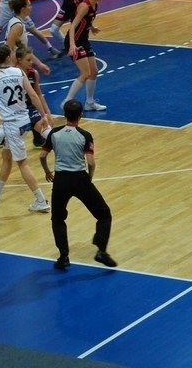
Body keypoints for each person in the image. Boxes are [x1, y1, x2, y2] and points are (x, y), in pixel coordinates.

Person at [40, 99, 117, 270]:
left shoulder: (54, 134)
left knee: (58, 219)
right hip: (80, 179)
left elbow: (42, 156)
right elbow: (91, 162)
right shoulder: (85, 135)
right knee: (104, 214)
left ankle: (64, 257)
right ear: (81, 115)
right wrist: (89, 178)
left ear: (65, 115)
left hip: (60, 180)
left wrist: (47, 172)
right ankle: (101, 250)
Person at [0, 44, 52, 212]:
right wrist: (44, 116)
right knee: (6, 156)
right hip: (23, 120)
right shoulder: (19, 72)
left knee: (22, 164)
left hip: (12, 125)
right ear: (8, 58)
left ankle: (41, 200)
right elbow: (33, 95)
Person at [62, 0, 106, 111]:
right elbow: (73, 26)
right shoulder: (84, 6)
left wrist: (92, 28)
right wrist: (72, 45)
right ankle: (67, 101)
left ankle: (90, 102)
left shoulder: (95, 5)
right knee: (86, 73)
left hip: (84, 41)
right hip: (74, 41)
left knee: (94, 72)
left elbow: (88, 20)